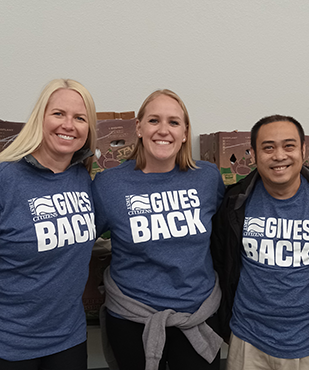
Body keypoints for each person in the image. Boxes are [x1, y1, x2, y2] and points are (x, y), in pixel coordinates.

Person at [0, 78, 98, 370]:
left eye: (80, 118)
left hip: (69, 341)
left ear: (88, 129)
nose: (69, 124)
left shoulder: (82, 179)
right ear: (39, 118)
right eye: (58, 114)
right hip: (7, 346)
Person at [211, 115, 309, 370]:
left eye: (289, 146)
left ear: (303, 150)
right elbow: (219, 265)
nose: (279, 156)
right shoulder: (234, 203)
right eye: (268, 147)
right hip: (246, 343)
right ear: (253, 154)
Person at [92, 89, 225, 370]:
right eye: (154, 121)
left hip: (197, 314)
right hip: (132, 318)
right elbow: (75, 242)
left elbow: (227, 234)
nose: (163, 130)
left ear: (186, 132)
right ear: (138, 127)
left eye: (174, 122)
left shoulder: (208, 178)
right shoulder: (109, 184)